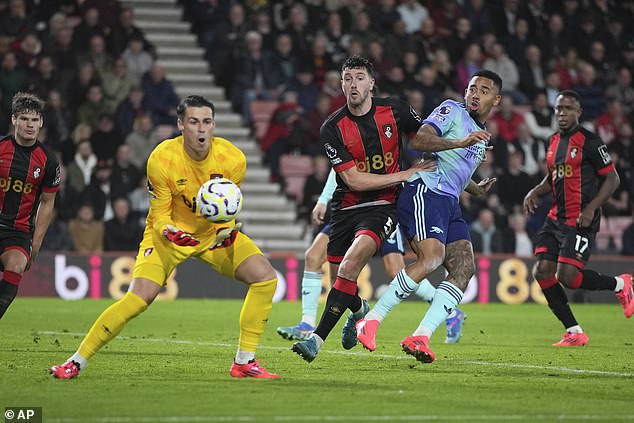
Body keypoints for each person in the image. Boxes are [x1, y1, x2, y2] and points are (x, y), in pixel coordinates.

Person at [51, 95, 280, 379]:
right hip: (169, 237)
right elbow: (159, 215)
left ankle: (244, 361)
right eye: (194, 122)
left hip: (211, 236)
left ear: (213, 125)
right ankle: (76, 361)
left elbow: (225, 209)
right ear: (180, 124)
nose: (201, 129)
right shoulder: (161, 158)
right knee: (139, 298)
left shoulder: (233, 158)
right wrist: (169, 231)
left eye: (206, 122)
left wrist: (226, 230)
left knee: (266, 278)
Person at [291, 56, 482, 363]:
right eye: (347, 79)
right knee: (343, 280)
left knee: (349, 266)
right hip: (348, 204)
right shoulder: (332, 129)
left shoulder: (396, 110)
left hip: (384, 204)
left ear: (371, 83)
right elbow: (352, 179)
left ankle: (315, 339)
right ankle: (359, 309)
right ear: (341, 85)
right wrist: (404, 174)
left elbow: (428, 142)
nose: (353, 84)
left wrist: (471, 183)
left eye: (359, 78)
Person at [355, 70, 502, 363]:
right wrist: (460, 143)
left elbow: (457, 170)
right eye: (472, 88)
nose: (475, 94)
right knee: (431, 259)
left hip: (450, 202)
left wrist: (476, 189)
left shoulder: (479, 134)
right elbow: (420, 141)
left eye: (484, 91)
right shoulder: (451, 111)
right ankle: (369, 321)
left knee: (463, 269)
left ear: (496, 100)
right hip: (425, 191)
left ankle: (420, 335)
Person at [277, 168, 466, 344]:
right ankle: (307, 324)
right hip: (350, 209)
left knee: (396, 271)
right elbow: (340, 168)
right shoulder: (345, 136)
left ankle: (450, 313)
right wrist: (323, 200)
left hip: (382, 208)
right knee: (314, 257)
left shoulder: (388, 135)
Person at [523, 90, 633, 347]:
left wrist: (592, 208)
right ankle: (573, 331)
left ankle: (621, 283)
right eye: (559, 109)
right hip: (555, 218)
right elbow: (553, 177)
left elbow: (613, 178)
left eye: (568, 109)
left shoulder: (590, 141)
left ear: (578, 112)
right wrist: (535, 191)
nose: (562, 113)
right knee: (542, 271)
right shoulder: (552, 142)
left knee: (568, 277)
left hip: (580, 219)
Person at [0, 92, 60, 319]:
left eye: (35, 120)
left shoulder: (48, 160)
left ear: (41, 123)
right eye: (24, 119)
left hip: (18, 231)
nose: (30, 125)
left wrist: (36, 243)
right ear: (14, 120)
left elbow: (47, 203)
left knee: (15, 266)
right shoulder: (1, 148)